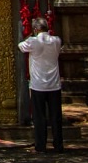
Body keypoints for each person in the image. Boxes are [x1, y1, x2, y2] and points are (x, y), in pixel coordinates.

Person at [18, 17, 64, 153]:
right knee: (56, 116)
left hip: (38, 84)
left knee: (39, 116)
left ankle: (41, 145)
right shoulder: (56, 40)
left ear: (36, 29)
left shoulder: (33, 41)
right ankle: (58, 144)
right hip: (54, 84)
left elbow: (21, 46)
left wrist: (30, 36)